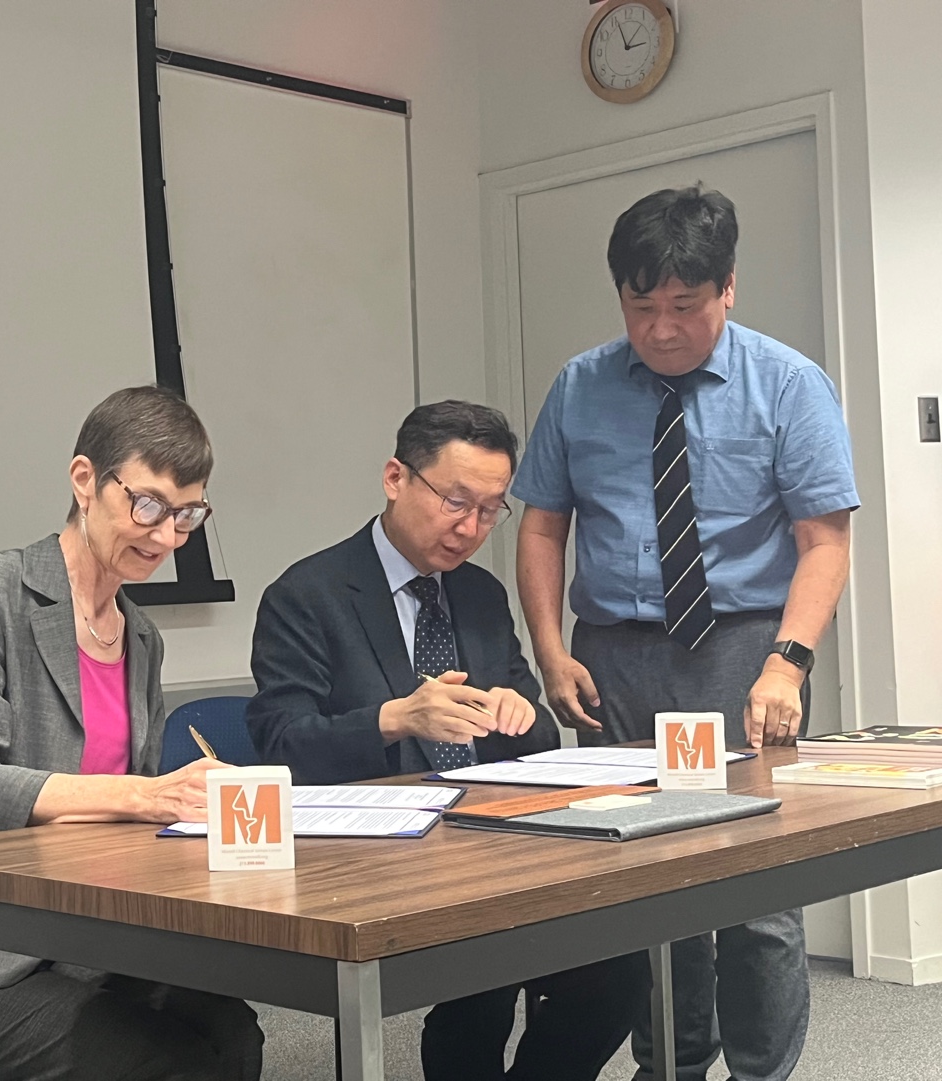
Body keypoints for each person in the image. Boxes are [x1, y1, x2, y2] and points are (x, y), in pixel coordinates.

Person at [512, 187, 858, 1081]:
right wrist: (551, 649)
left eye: (684, 305)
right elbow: (544, 524)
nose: (661, 330)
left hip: (742, 649)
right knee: (640, 875)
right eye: (641, 306)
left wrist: (788, 663)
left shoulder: (788, 384)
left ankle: (760, 1072)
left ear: (727, 287)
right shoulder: (580, 385)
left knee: (753, 885)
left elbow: (824, 540)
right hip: (613, 655)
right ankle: (670, 1063)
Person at [248, 400, 649, 1081]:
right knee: (482, 984)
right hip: (374, 856)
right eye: (455, 502)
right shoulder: (308, 594)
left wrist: (519, 713)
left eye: (491, 510)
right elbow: (281, 742)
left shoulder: (480, 594)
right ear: (396, 478)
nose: (470, 528)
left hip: (491, 843)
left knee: (619, 973)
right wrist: (396, 718)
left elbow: (538, 733)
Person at [0, 385, 264, 1081]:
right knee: (163, 1061)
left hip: (85, 945)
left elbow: (133, 826)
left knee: (233, 1033)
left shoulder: (142, 638)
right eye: (148, 505)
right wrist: (146, 796)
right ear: (85, 480)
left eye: (187, 515)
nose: (167, 537)